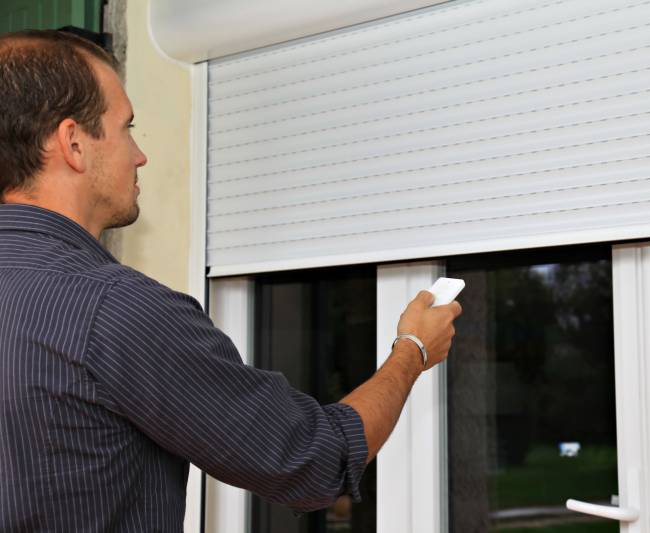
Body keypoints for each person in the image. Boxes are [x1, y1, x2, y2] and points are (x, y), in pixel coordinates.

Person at [0, 30, 462, 531]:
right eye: (126, 127)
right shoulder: (116, 310)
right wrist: (412, 350)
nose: (139, 155)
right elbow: (313, 461)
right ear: (73, 143)